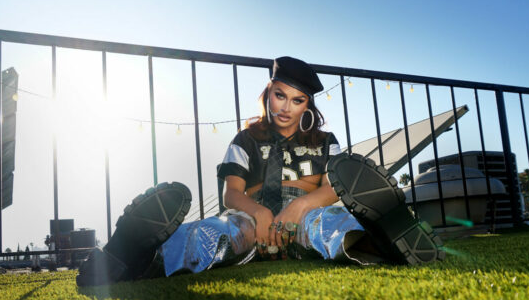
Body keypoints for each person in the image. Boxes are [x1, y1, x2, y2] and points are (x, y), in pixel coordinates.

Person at [76, 57, 444, 286]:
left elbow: (337, 186)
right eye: (280, 95)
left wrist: (298, 208)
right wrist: (260, 212)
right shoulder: (246, 138)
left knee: (327, 222)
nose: (286, 107)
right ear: (268, 93)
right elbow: (231, 193)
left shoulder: (326, 140)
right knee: (219, 231)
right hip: (252, 219)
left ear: (307, 106)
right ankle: (133, 256)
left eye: (297, 100)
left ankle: (384, 241)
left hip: (306, 216)